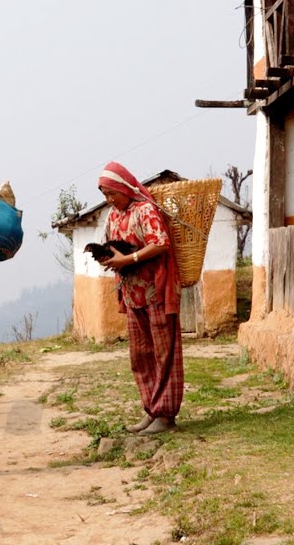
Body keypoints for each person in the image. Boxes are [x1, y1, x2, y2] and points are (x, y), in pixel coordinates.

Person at [93, 162, 184, 435]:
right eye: (105, 195)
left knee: (164, 353)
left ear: (124, 188)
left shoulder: (145, 210)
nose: (110, 199)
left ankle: (166, 415)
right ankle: (151, 410)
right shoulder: (113, 216)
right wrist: (109, 259)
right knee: (141, 356)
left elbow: (160, 242)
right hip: (133, 295)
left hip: (156, 291)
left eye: (113, 193)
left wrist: (129, 259)